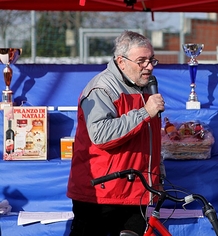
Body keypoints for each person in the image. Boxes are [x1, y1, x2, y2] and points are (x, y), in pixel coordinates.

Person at [67, 30, 165, 236]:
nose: (149, 66)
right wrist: (145, 112)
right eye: (142, 61)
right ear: (121, 62)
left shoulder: (147, 88)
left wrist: (159, 176)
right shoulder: (101, 88)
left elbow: (149, 139)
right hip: (102, 196)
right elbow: (101, 134)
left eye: (151, 60)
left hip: (136, 193)